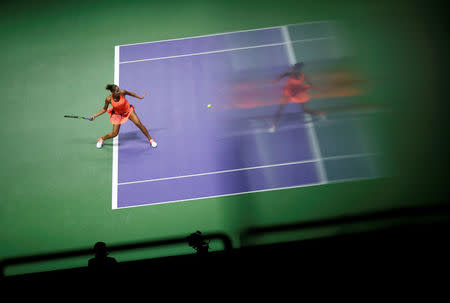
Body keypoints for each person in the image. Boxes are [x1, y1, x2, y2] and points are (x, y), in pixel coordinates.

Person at [90, 84, 157, 148]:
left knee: (138, 124)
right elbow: (104, 109)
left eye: (119, 89)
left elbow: (131, 94)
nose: (119, 91)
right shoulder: (108, 99)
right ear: (112, 92)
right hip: (117, 115)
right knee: (114, 134)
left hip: (128, 111)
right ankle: (101, 139)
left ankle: (151, 140)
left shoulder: (122, 92)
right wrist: (94, 116)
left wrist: (140, 97)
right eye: (117, 91)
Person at [270, 62, 325, 132]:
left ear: (298, 70)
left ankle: (320, 113)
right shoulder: (291, 73)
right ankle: (273, 125)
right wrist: (275, 80)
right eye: (293, 68)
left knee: (305, 110)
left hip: (297, 93)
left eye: (294, 68)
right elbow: (281, 75)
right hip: (288, 92)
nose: (293, 69)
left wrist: (320, 90)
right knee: (280, 109)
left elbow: (311, 85)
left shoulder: (302, 76)